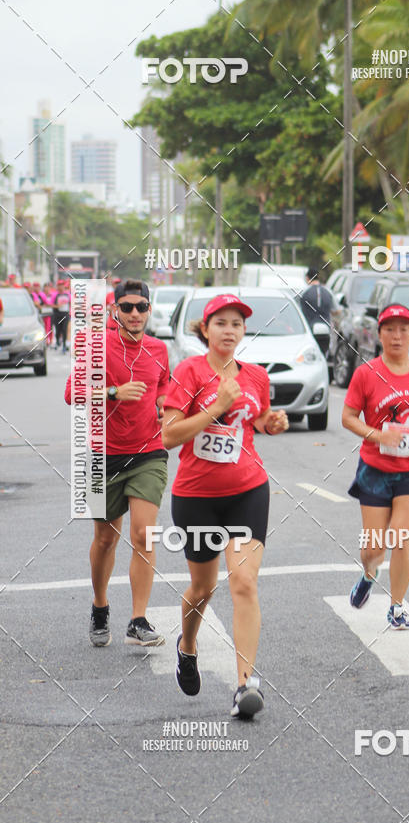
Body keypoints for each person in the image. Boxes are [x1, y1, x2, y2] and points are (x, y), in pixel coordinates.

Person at [161, 294, 288, 718]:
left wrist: (272, 423)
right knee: (203, 588)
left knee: (244, 583)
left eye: (237, 323)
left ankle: (244, 685)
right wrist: (215, 405)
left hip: (248, 491)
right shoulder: (189, 371)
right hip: (196, 497)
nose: (230, 330)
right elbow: (169, 436)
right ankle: (188, 644)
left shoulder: (254, 375)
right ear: (205, 328)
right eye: (221, 323)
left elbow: (257, 419)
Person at [64, 278, 170, 648]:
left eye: (142, 307)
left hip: (148, 453)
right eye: (127, 307)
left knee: (143, 534)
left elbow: (164, 391)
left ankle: (138, 619)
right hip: (99, 456)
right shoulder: (95, 345)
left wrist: (163, 410)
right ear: (114, 311)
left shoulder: (159, 349)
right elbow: (71, 393)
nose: (135, 313)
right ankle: (99, 606)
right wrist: (113, 392)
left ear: (149, 310)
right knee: (106, 538)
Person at [342, 304, 409, 629]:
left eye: (403, 329)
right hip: (375, 469)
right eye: (390, 329)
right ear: (379, 334)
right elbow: (347, 417)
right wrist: (377, 434)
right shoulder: (366, 373)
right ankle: (369, 574)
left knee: (401, 538)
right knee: (373, 549)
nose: (397, 336)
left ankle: (397, 606)